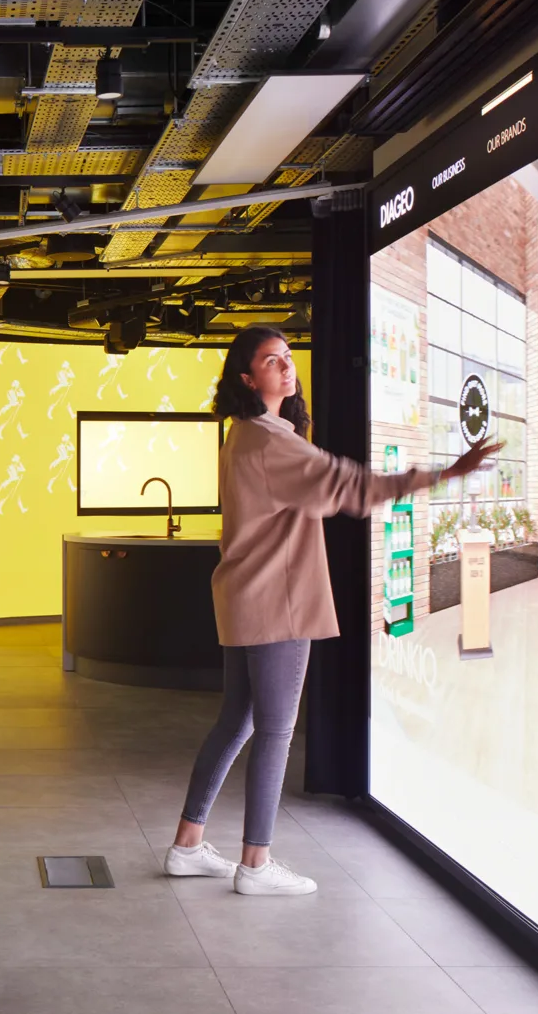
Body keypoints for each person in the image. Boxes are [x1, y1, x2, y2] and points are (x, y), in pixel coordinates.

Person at [165, 325, 501, 895]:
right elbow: (351, 485)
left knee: (237, 722)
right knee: (275, 731)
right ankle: (255, 864)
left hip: (245, 601)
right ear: (248, 378)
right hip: (281, 606)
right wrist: (444, 473)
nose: (286, 368)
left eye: (288, 357)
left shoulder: (242, 436)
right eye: (271, 361)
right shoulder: (273, 441)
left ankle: (188, 844)